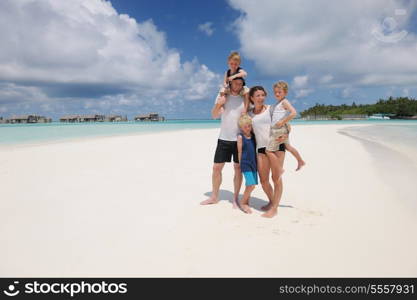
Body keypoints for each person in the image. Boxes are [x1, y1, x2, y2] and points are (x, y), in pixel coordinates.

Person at [200, 77, 246, 208]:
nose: (238, 86)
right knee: (216, 168)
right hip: (224, 138)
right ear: (230, 83)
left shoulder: (245, 98)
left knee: (238, 169)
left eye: (240, 83)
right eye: (236, 83)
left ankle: (236, 199)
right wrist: (219, 104)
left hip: (239, 139)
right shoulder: (222, 96)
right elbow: (214, 115)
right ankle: (214, 197)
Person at [248, 86, 285, 218]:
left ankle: (274, 208)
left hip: (276, 146)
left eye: (263, 95)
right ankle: (272, 201)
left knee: (276, 178)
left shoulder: (271, 109)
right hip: (261, 149)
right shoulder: (249, 114)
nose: (261, 98)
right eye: (257, 95)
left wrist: (286, 136)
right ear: (252, 98)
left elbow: (286, 124)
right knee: (264, 180)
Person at [236, 114, 258, 214]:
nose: (248, 128)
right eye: (245, 126)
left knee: (250, 184)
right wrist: (239, 165)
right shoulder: (240, 137)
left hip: (254, 163)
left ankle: (246, 200)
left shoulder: (253, 136)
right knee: (251, 184)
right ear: (241, 127)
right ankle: (243, 203)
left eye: (249, 126)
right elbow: (239, 151)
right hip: (245, 163)